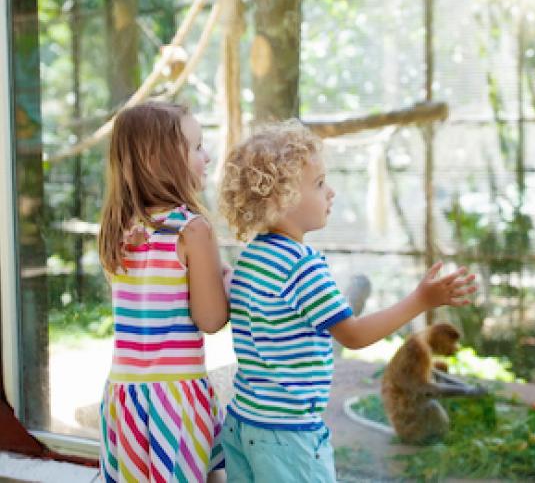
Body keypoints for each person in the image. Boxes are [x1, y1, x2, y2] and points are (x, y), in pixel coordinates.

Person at [218, 120, 477, 482]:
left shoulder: (251, 258)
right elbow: (353, 334)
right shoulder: (301, 265)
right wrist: (420, 299)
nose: (332, 192)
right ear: (281, 198)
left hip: (243, 422)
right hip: (289, 435)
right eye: (320, 183)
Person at [97, 101, 229, 482]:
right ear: (160, 159)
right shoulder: (192, 230)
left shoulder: (117, 230)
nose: (206, 156)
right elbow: (211, 318)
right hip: (176, 398)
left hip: (123, 398)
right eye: (197, 146)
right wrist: (228, 280)